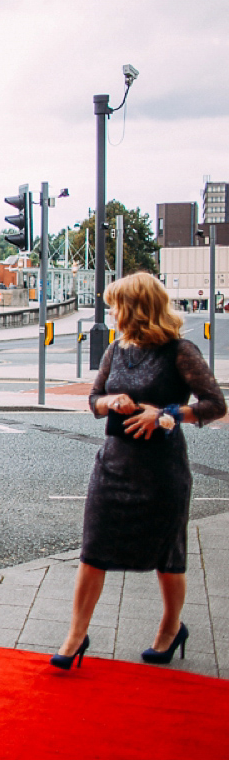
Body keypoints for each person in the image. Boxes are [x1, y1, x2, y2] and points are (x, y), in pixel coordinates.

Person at [51, 273, 225, 670]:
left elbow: (216, 404)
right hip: (112, 468)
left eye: (115, 305)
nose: (110, 312)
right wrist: (111, 401)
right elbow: (94, 400)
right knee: (93, 551)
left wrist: (165, 414)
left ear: (134, 309)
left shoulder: (180, 352)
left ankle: (170, 628)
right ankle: (77, 634)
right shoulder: (116, 350)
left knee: (168, 556)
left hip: (162, 473)